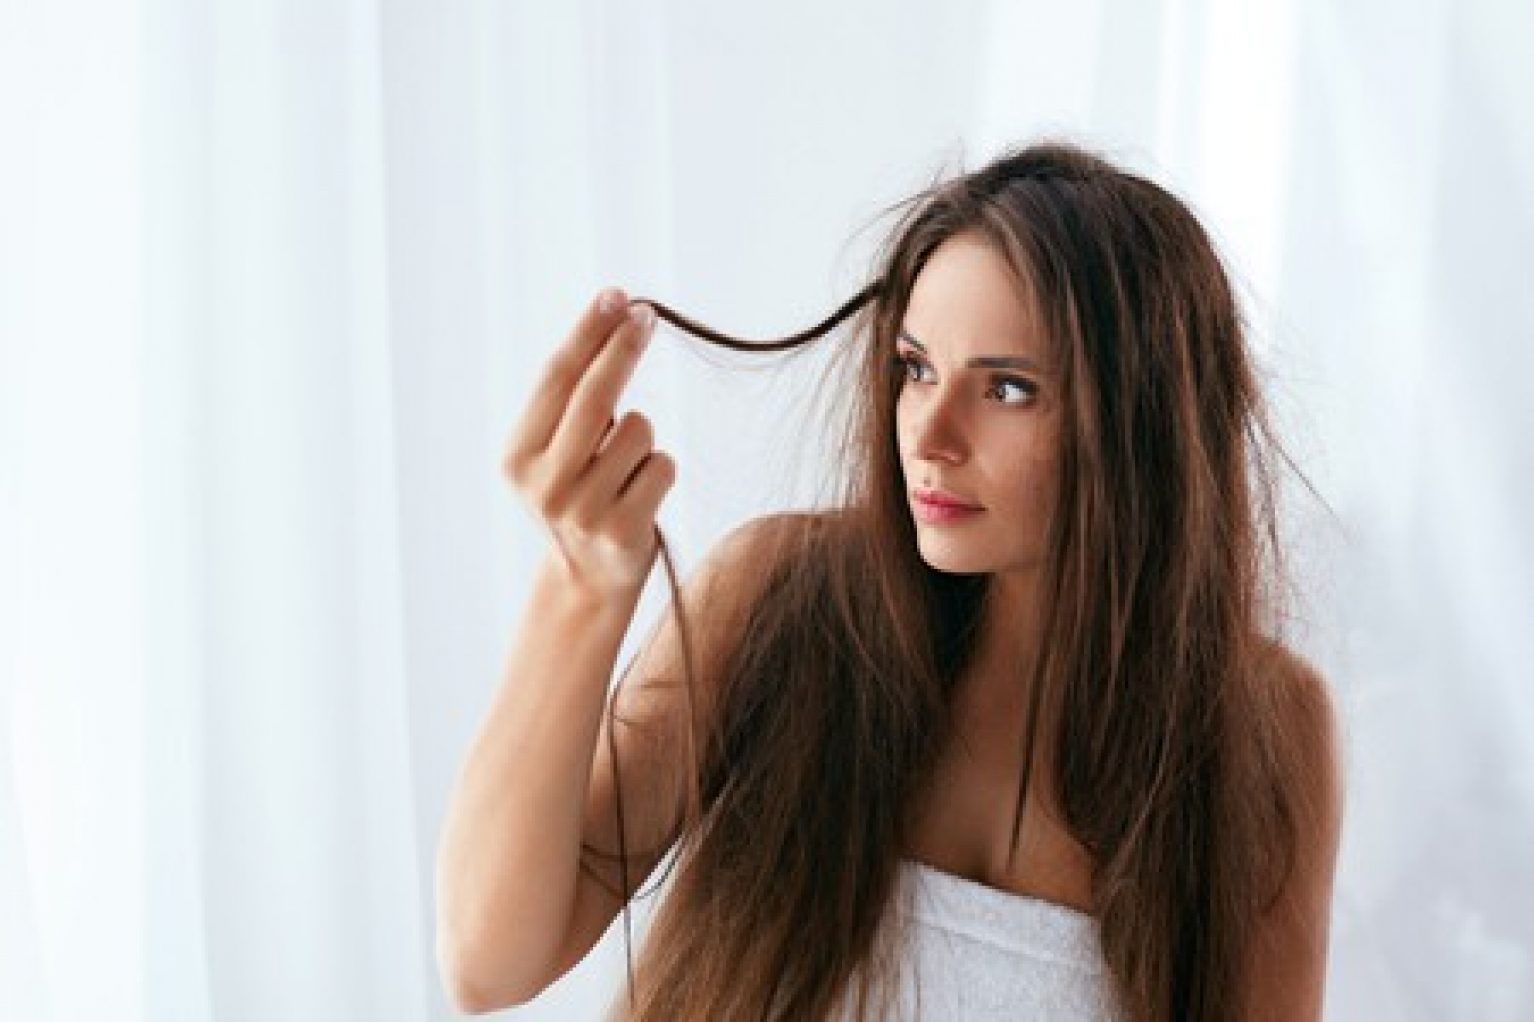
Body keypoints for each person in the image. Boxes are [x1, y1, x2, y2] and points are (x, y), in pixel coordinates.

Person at [436, 139, 1344, 1021]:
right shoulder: (779, 602)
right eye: (915, 368)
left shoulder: (1257, 728)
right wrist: (583, 588)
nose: (929, 434)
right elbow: (489, 964)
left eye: (1008, 389)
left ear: (1142, 421)